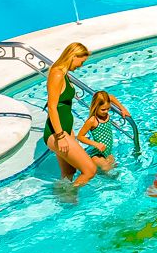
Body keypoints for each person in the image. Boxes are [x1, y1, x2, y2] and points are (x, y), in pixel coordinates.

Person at [44, 42, 125, 184]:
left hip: (65, 131)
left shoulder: (64, 75)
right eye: (80, 62)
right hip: (57, 133)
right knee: (90, 170)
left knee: (69, 172)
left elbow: (64, 106)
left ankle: (66, 201)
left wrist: (68, 132)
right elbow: (52, 107)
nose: (80, 66)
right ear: (73, 56)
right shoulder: (57, 73)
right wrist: (61, 136)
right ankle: (69, 193)